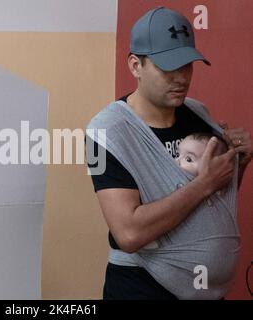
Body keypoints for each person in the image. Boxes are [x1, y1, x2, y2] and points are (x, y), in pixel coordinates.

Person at [86, 7, 253, 299]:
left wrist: (237, 164)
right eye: (168, 67)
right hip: (141, 288)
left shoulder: (198, 114)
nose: (181, 78)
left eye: (187, 65)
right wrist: (205, 183)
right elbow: (129, 234)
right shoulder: (108, 132)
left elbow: (213, 206)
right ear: (135, 65)